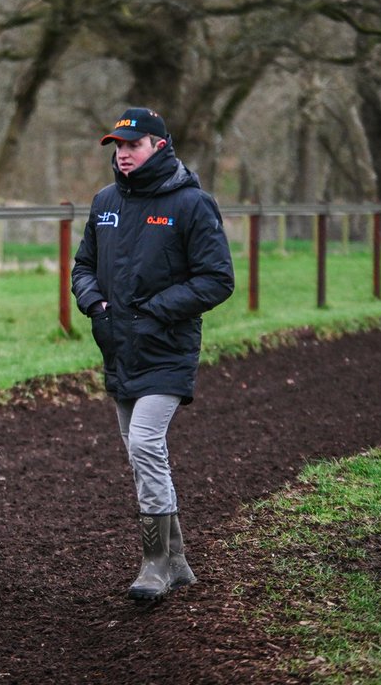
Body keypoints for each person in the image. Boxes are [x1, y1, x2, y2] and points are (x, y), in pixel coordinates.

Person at [71, 106, 234, 600]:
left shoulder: (192, 204)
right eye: (118, 147)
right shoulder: (104, 202)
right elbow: (83, 266)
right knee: (140, 454)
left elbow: (217, 279)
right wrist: (94, 303)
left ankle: (155, 563)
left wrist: (157, 310)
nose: (123, 155)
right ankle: (179, 560)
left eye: (132, 146)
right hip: (118, 349)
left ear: (159, 146)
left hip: (167, 349)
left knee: (145, 443)